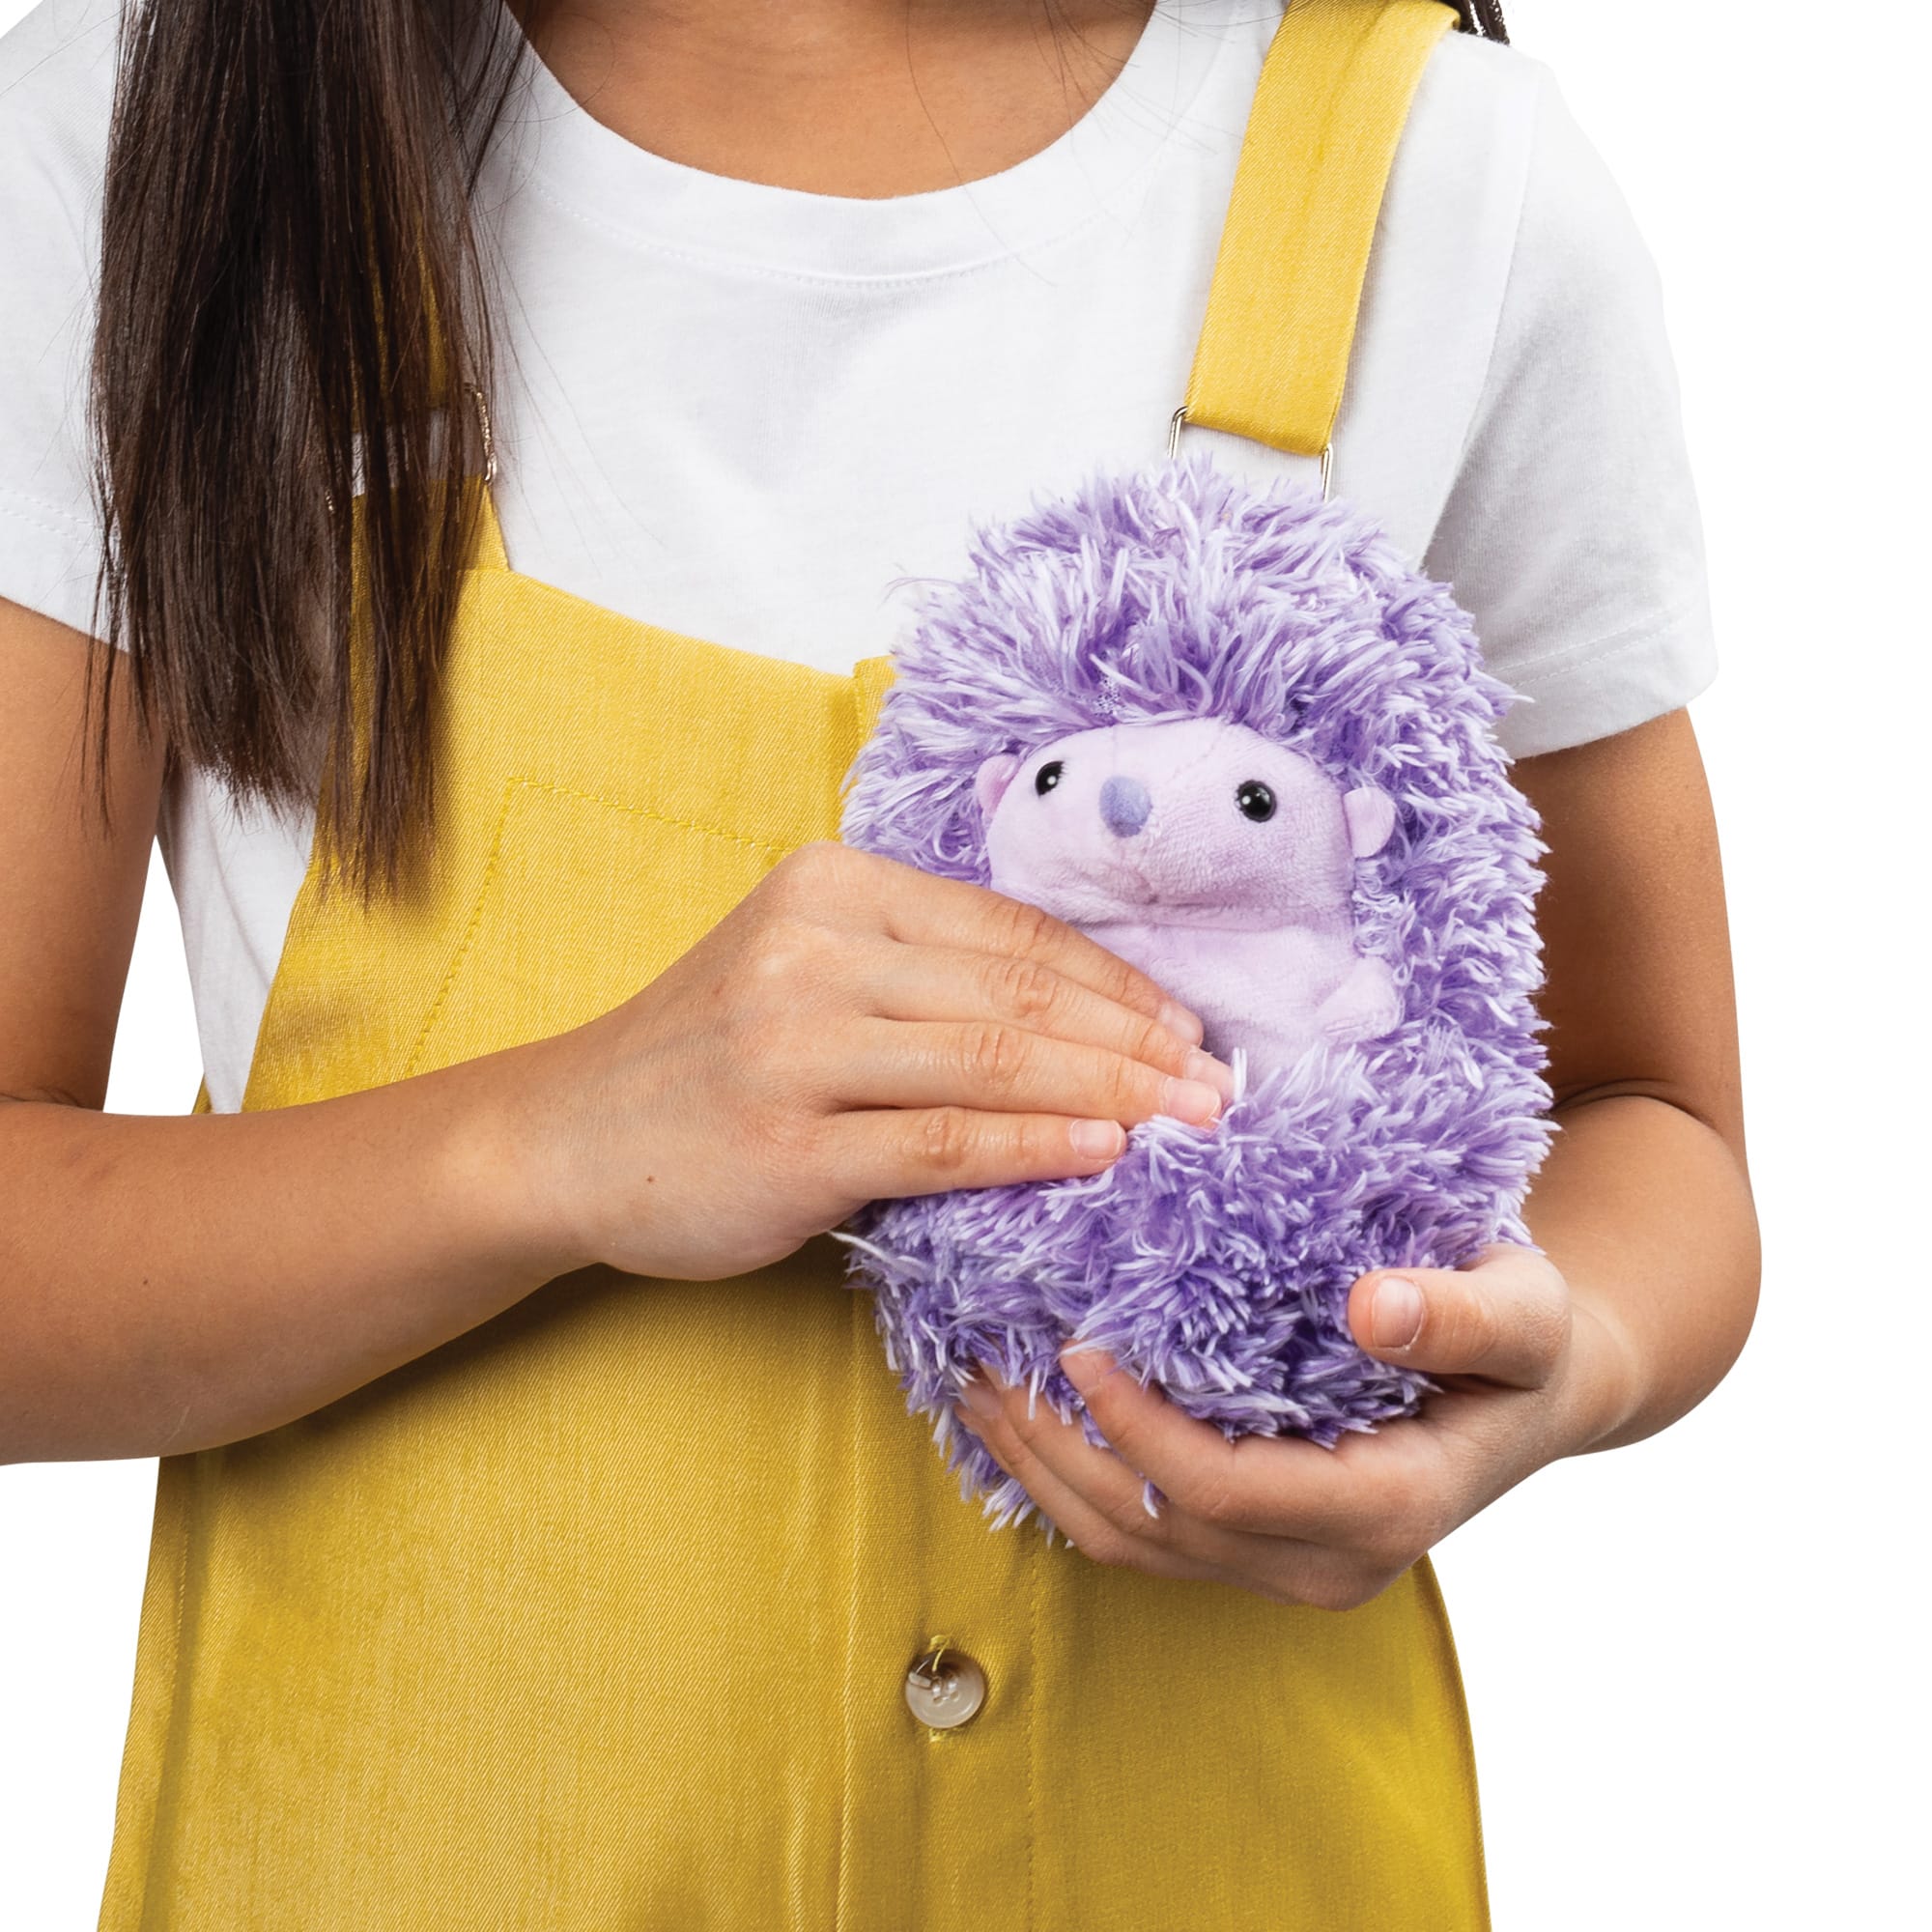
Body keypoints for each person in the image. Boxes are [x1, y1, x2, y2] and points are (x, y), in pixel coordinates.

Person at [0, 0, 1759, 1923]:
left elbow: (1655, 1116)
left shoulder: (1442, 182)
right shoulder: (148, 141)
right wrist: (550, 1144)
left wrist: (1544, 1370)